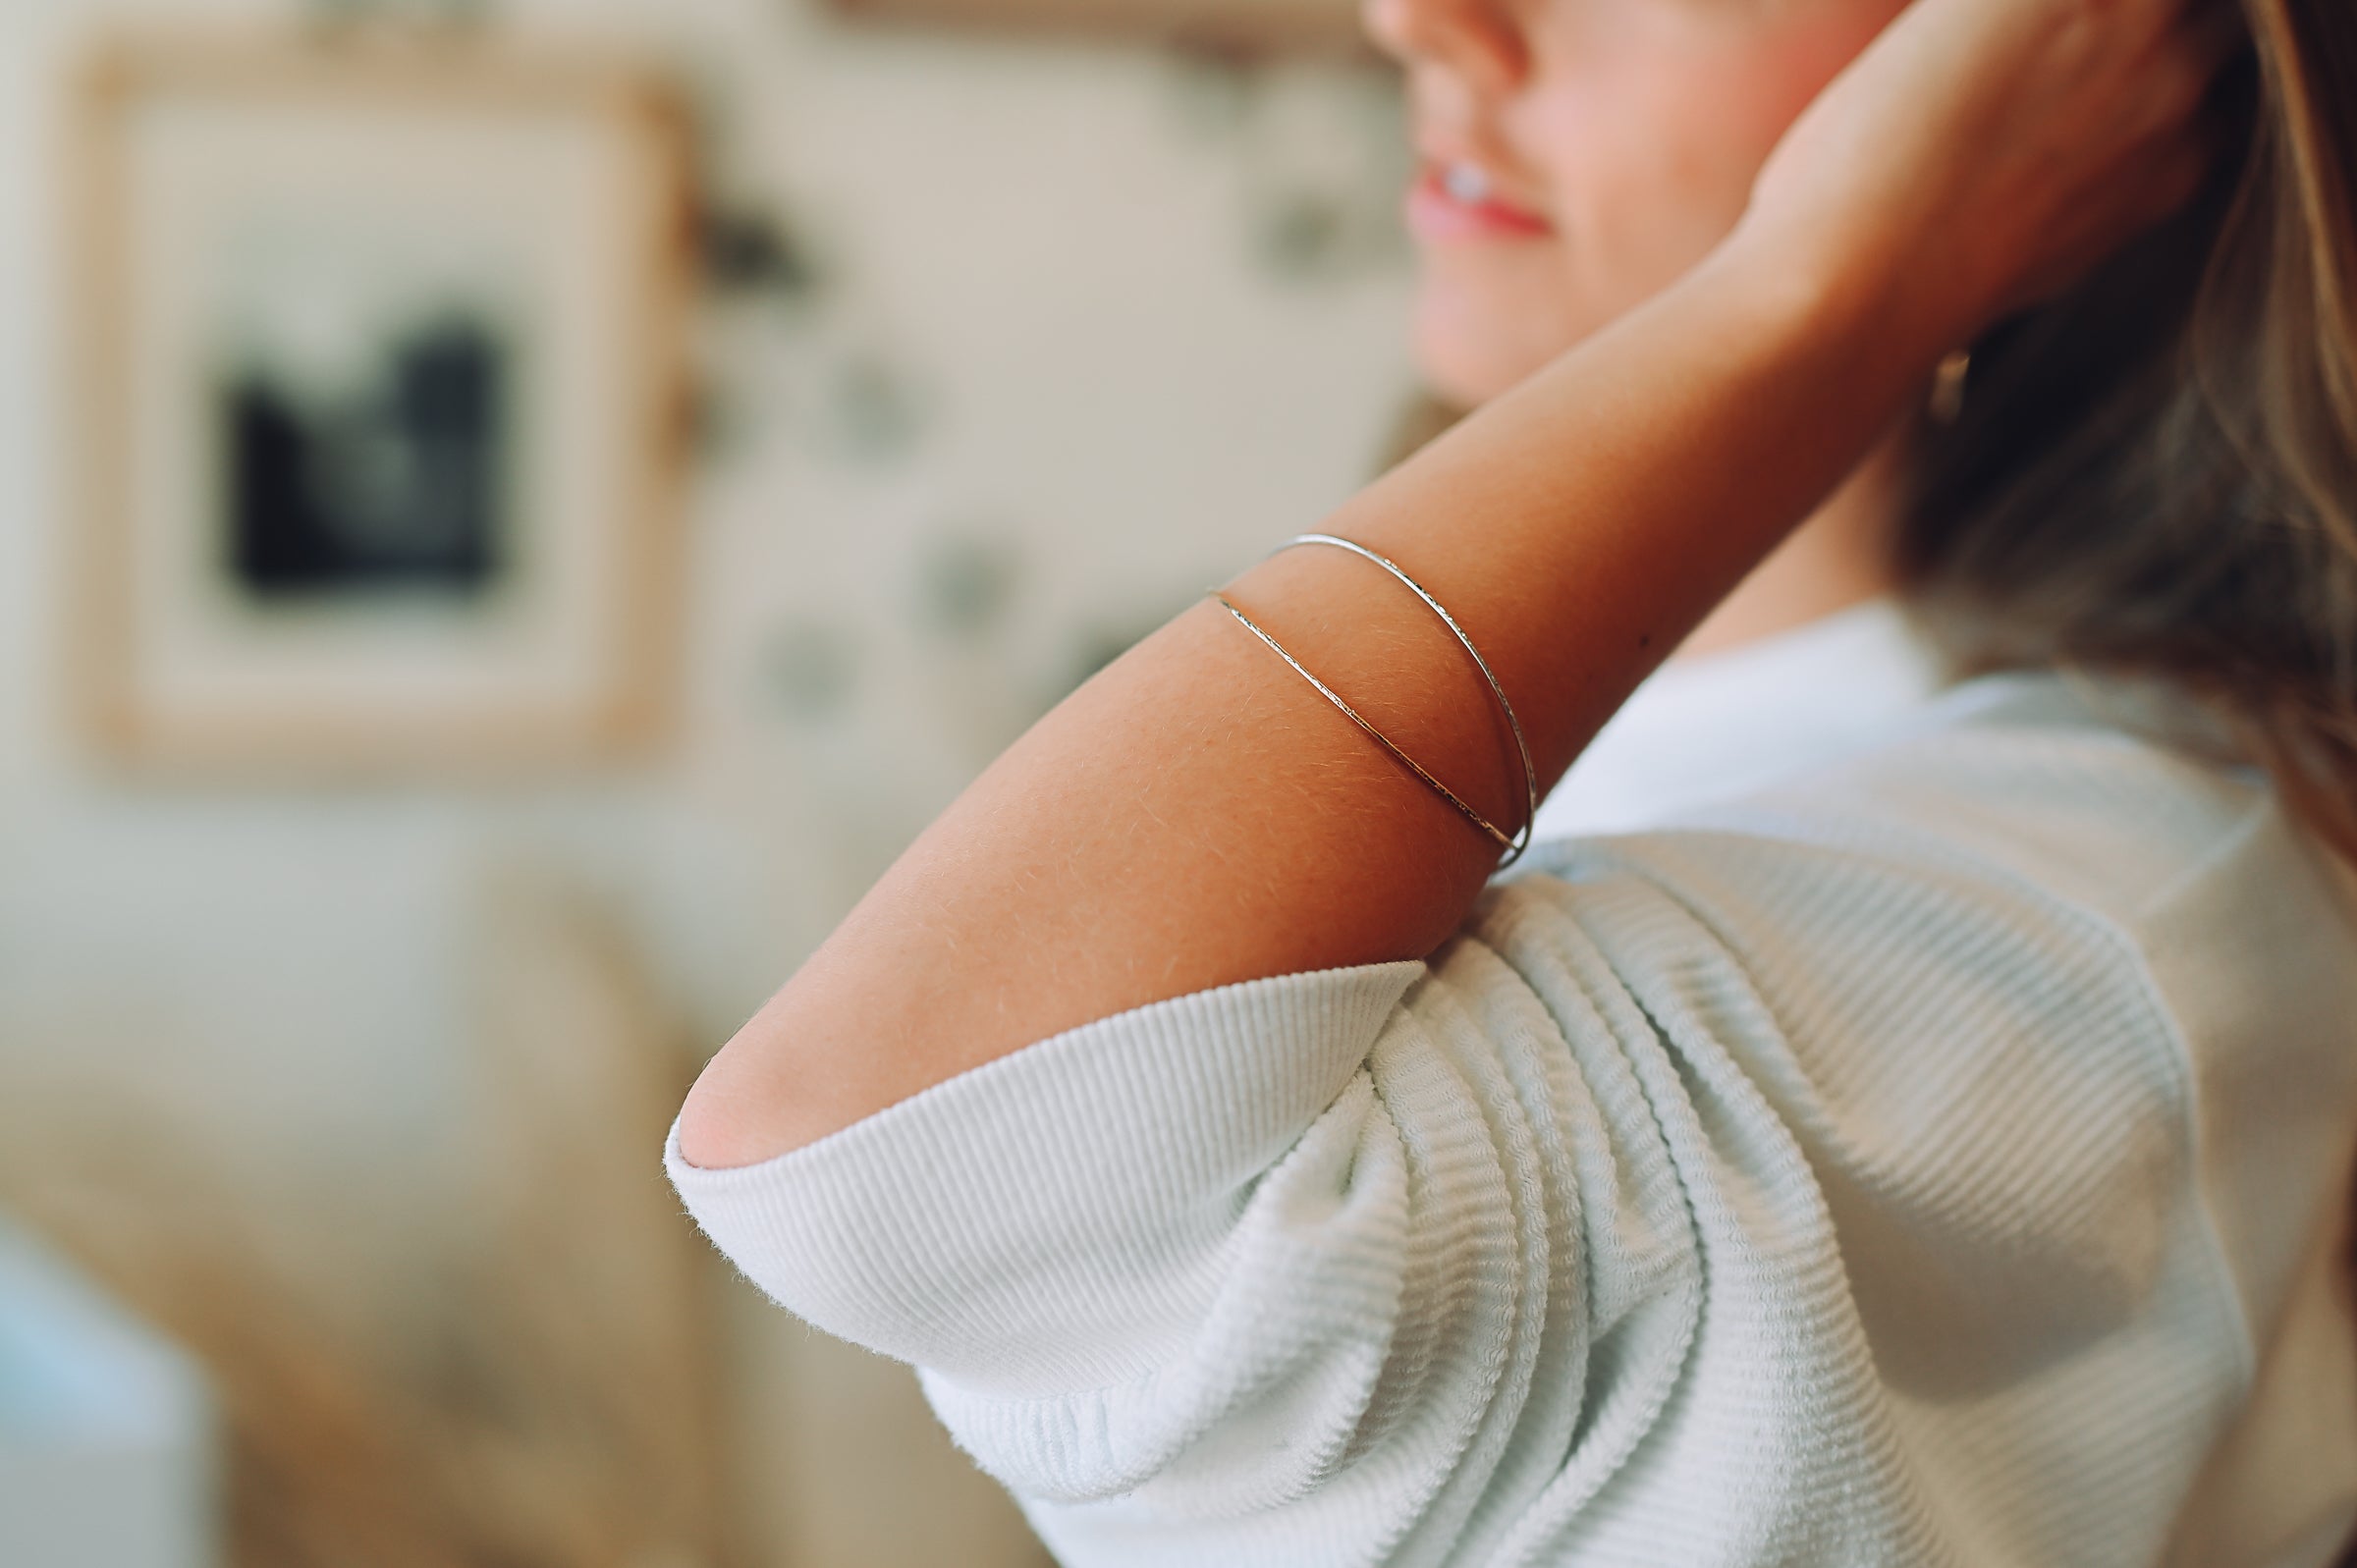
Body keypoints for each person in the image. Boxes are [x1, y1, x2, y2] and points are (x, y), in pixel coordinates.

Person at [665, 0, 2357, 1558]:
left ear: (2089, 49)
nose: (1420, 18)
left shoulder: (2118, 914)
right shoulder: (1574, 739)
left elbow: (886, 1145)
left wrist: (1832, 279)